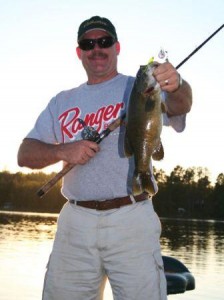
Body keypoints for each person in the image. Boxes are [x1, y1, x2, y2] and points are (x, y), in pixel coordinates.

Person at [17, 16, 192, 300]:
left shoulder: (142, 88)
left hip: (132, 218)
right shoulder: (61, 100)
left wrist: (177, 84)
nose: (96, 48)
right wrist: (63, 150)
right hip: (75, 222)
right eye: (88, 43)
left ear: (117, 47)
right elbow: (24, 154)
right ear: (79, 52)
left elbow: (182, 104)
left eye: (104, 42)